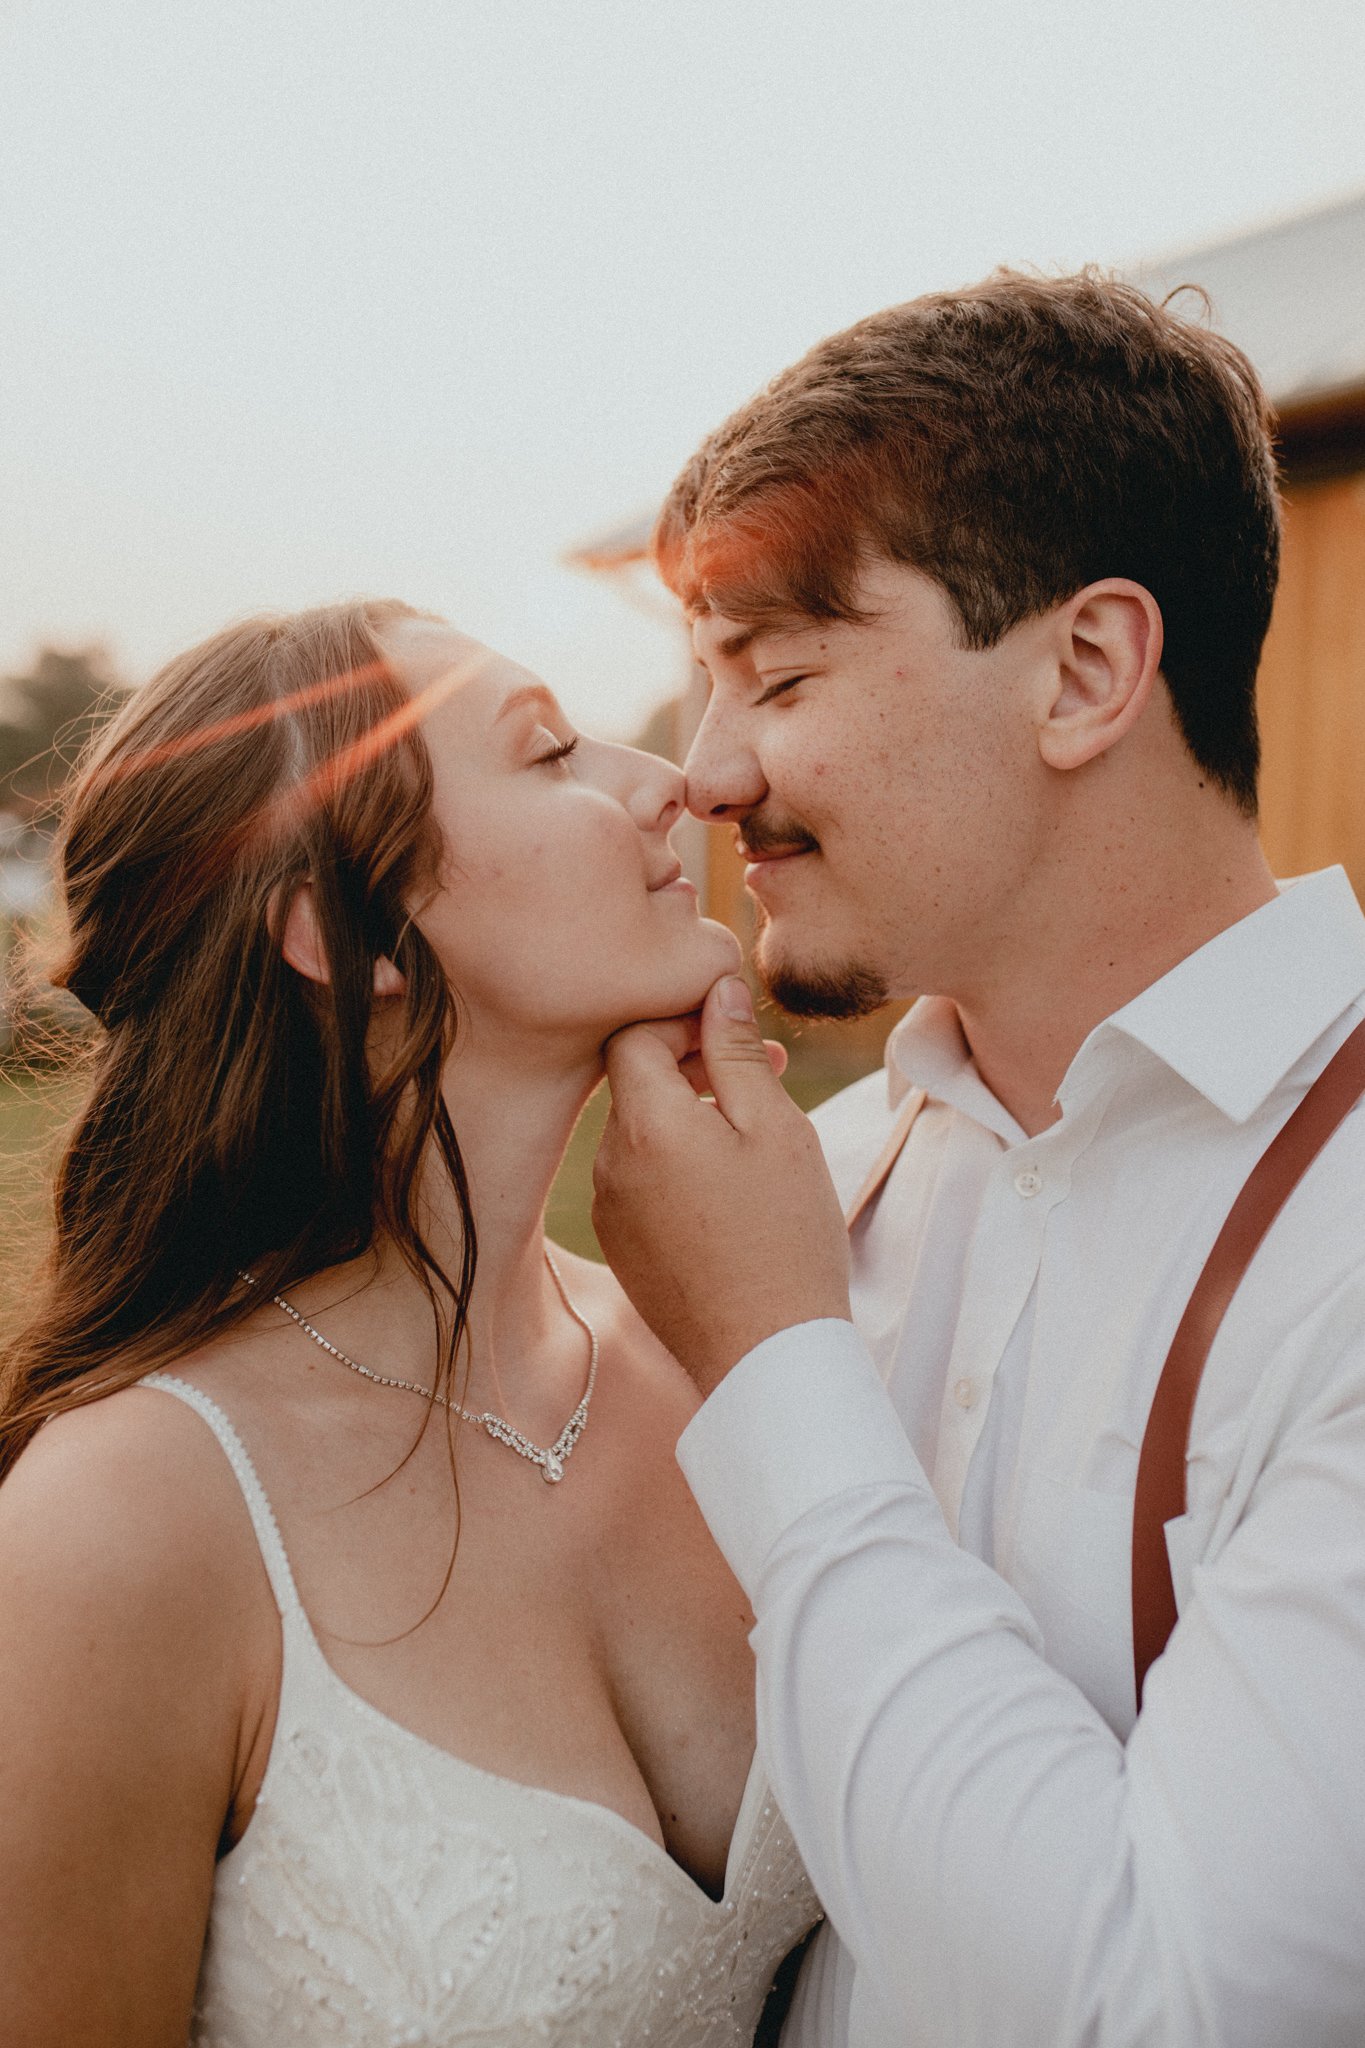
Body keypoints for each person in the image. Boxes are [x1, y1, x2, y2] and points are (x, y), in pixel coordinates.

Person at [591, 271, 1365, 2047]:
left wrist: (778, 1364)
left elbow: (1165, 2011)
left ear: (1086, 670)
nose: (703, 777)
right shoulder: (823, 1171)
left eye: (774, 674)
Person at [0, 600, 820, 2046]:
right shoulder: (126, 1527)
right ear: (349, 929)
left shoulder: (708, 1358)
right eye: (552, 751)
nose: (667, 783)